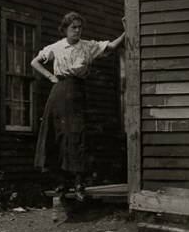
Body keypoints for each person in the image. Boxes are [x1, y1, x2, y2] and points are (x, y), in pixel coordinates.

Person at [30, 12, 125, 201]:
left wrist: (126, 31)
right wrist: (50, 76)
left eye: (80, 27)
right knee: (58, 135)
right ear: (65, 28)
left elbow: (112, 46)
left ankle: (79, 183)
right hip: (58, 92)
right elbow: (35, 62)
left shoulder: (88, 46)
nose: (77, 30)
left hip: (76, 92)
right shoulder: (56, 47)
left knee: (77, 135)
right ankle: (62, 182)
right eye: (73, 27)